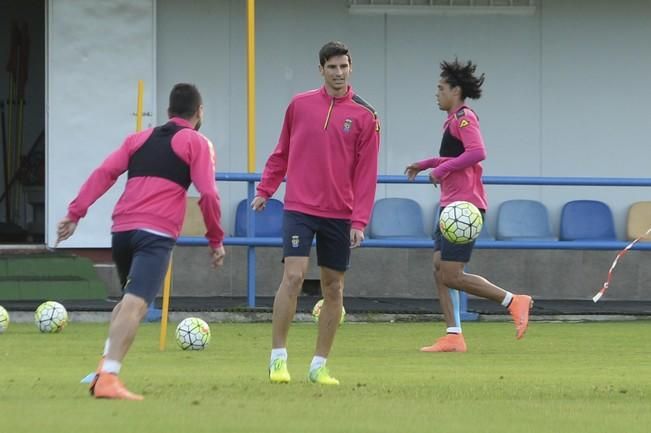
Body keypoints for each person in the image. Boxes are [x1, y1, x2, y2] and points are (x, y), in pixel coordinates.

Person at [56, 83, 226, 400]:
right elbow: (208, 194)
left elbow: (105, 172)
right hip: (156, 233)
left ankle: (102, 369)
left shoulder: (139, 138)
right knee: (136, 304)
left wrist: (75, 213)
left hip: (122, 230)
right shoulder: (197, 143)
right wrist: (215, 239)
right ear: (199, 112)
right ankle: (109, 378)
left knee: (126, 301)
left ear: (168, 112)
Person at [252, 41, 380, 385]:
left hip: (339, 213)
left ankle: (318, 365)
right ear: (320, 69)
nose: (338, 73)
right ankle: (278, 359)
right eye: (332, 67)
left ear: (350, 68)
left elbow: (367, 174)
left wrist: (360, 221)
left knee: (334, 289)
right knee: (293, 276)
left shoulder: (366, 116)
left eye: (344, 67)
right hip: (299, 207)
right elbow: (282, 152)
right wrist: (266, 189)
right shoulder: (299, 105)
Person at [405, 59, 532, 353]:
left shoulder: (465, 118)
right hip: (450, 206)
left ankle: (513, 301)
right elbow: (455, 157)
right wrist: (426, 164)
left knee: (451, 274)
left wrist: (440, 171)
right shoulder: (451, 121)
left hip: (464, 208)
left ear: (456, 91)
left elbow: (477, 152)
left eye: (441, 88)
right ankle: (453, 335)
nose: (436, 93)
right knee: (439, 268)